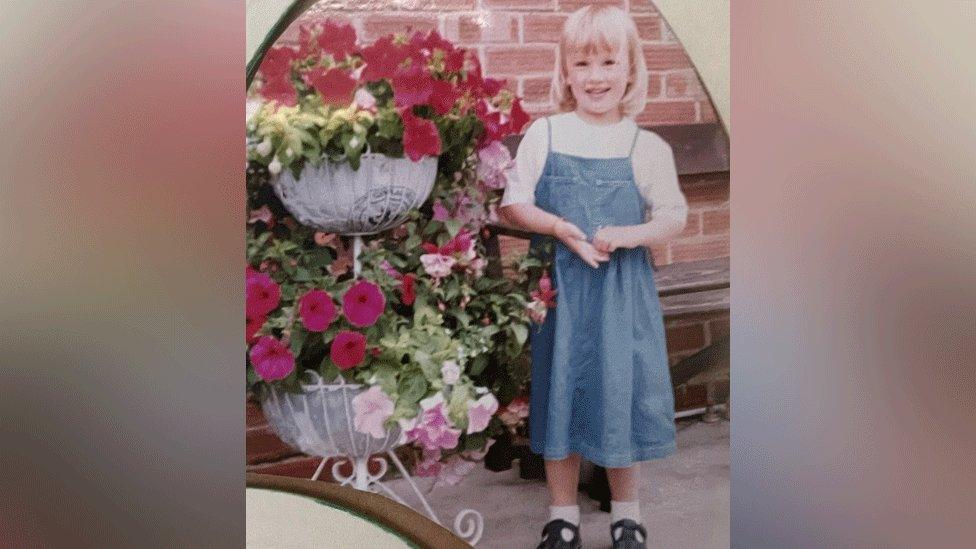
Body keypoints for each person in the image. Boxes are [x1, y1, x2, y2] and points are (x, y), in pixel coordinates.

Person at [498, 5, 689, 549]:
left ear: (630, 70)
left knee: (619, 394)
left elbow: (672, 218)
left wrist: (628, 235)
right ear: (565, 71)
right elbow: (515, 203)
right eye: (582, 63)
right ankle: (562, 516)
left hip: (622, 295)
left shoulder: (645, 146)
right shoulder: (547, 133)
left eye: (609, 62)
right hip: (562, 293)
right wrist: (561, 228)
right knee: (561, 390)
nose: (596, 76)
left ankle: (627, 514)